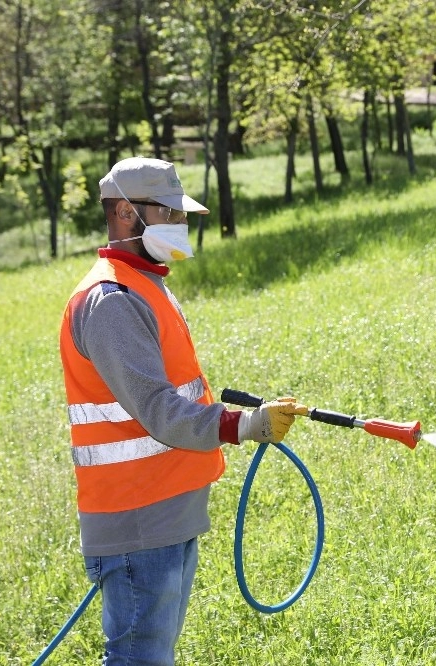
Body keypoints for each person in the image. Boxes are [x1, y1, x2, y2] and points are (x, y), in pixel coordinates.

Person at [59, 156, 306, 665]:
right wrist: (244, 424)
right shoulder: (111, 300)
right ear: (126, 213)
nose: (181, 224)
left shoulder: (144, 284)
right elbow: (158, 408)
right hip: (137, 520)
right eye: (169, 213)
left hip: (163, 512)